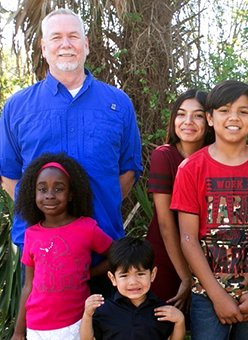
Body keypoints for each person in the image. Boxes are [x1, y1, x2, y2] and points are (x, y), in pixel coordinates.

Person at [0, 8, 142, 294]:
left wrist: (96, 206)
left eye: (73, 36)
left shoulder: (118, 104)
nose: (66, 44)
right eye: (56, 37)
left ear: (86, 44)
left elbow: (128, 172)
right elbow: (9, 176)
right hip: (42, 257)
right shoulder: (17, 107)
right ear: (44, 47)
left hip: (104, 254)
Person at [171, 80, 248, 340]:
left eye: (243, 111)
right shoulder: (191, 169)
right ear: (211, 118)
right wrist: (217, 296)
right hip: (207, 293)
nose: (233, 117)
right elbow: (188, 238)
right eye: (224, 110)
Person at [11, 153, 113, 340]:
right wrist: (19, 331)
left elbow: (116, 255)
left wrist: (89, 273)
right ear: (32, 193)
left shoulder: (86, 228)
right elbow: (28, 285)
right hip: (37, 327)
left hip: (76, 323)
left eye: (59, 189)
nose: (49, 195)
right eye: (42, 189)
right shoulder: (31, 234)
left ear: (71, 194)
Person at [145, 89, 215, 309]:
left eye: (197, 115)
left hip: (207, 258)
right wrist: (185, 276)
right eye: (181, 114)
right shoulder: (164, 156)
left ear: (209, 120)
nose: (188, 122)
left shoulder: (215, 159)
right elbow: (165, 223)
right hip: (167, 257)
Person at [80, 237, 185, 340]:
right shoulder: (104, 310)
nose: (133, 282)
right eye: (124, 276)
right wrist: (87, 315)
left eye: (140, 274)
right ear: (113, 278)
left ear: (152, 274)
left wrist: (179, 320)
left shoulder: (162, 311)